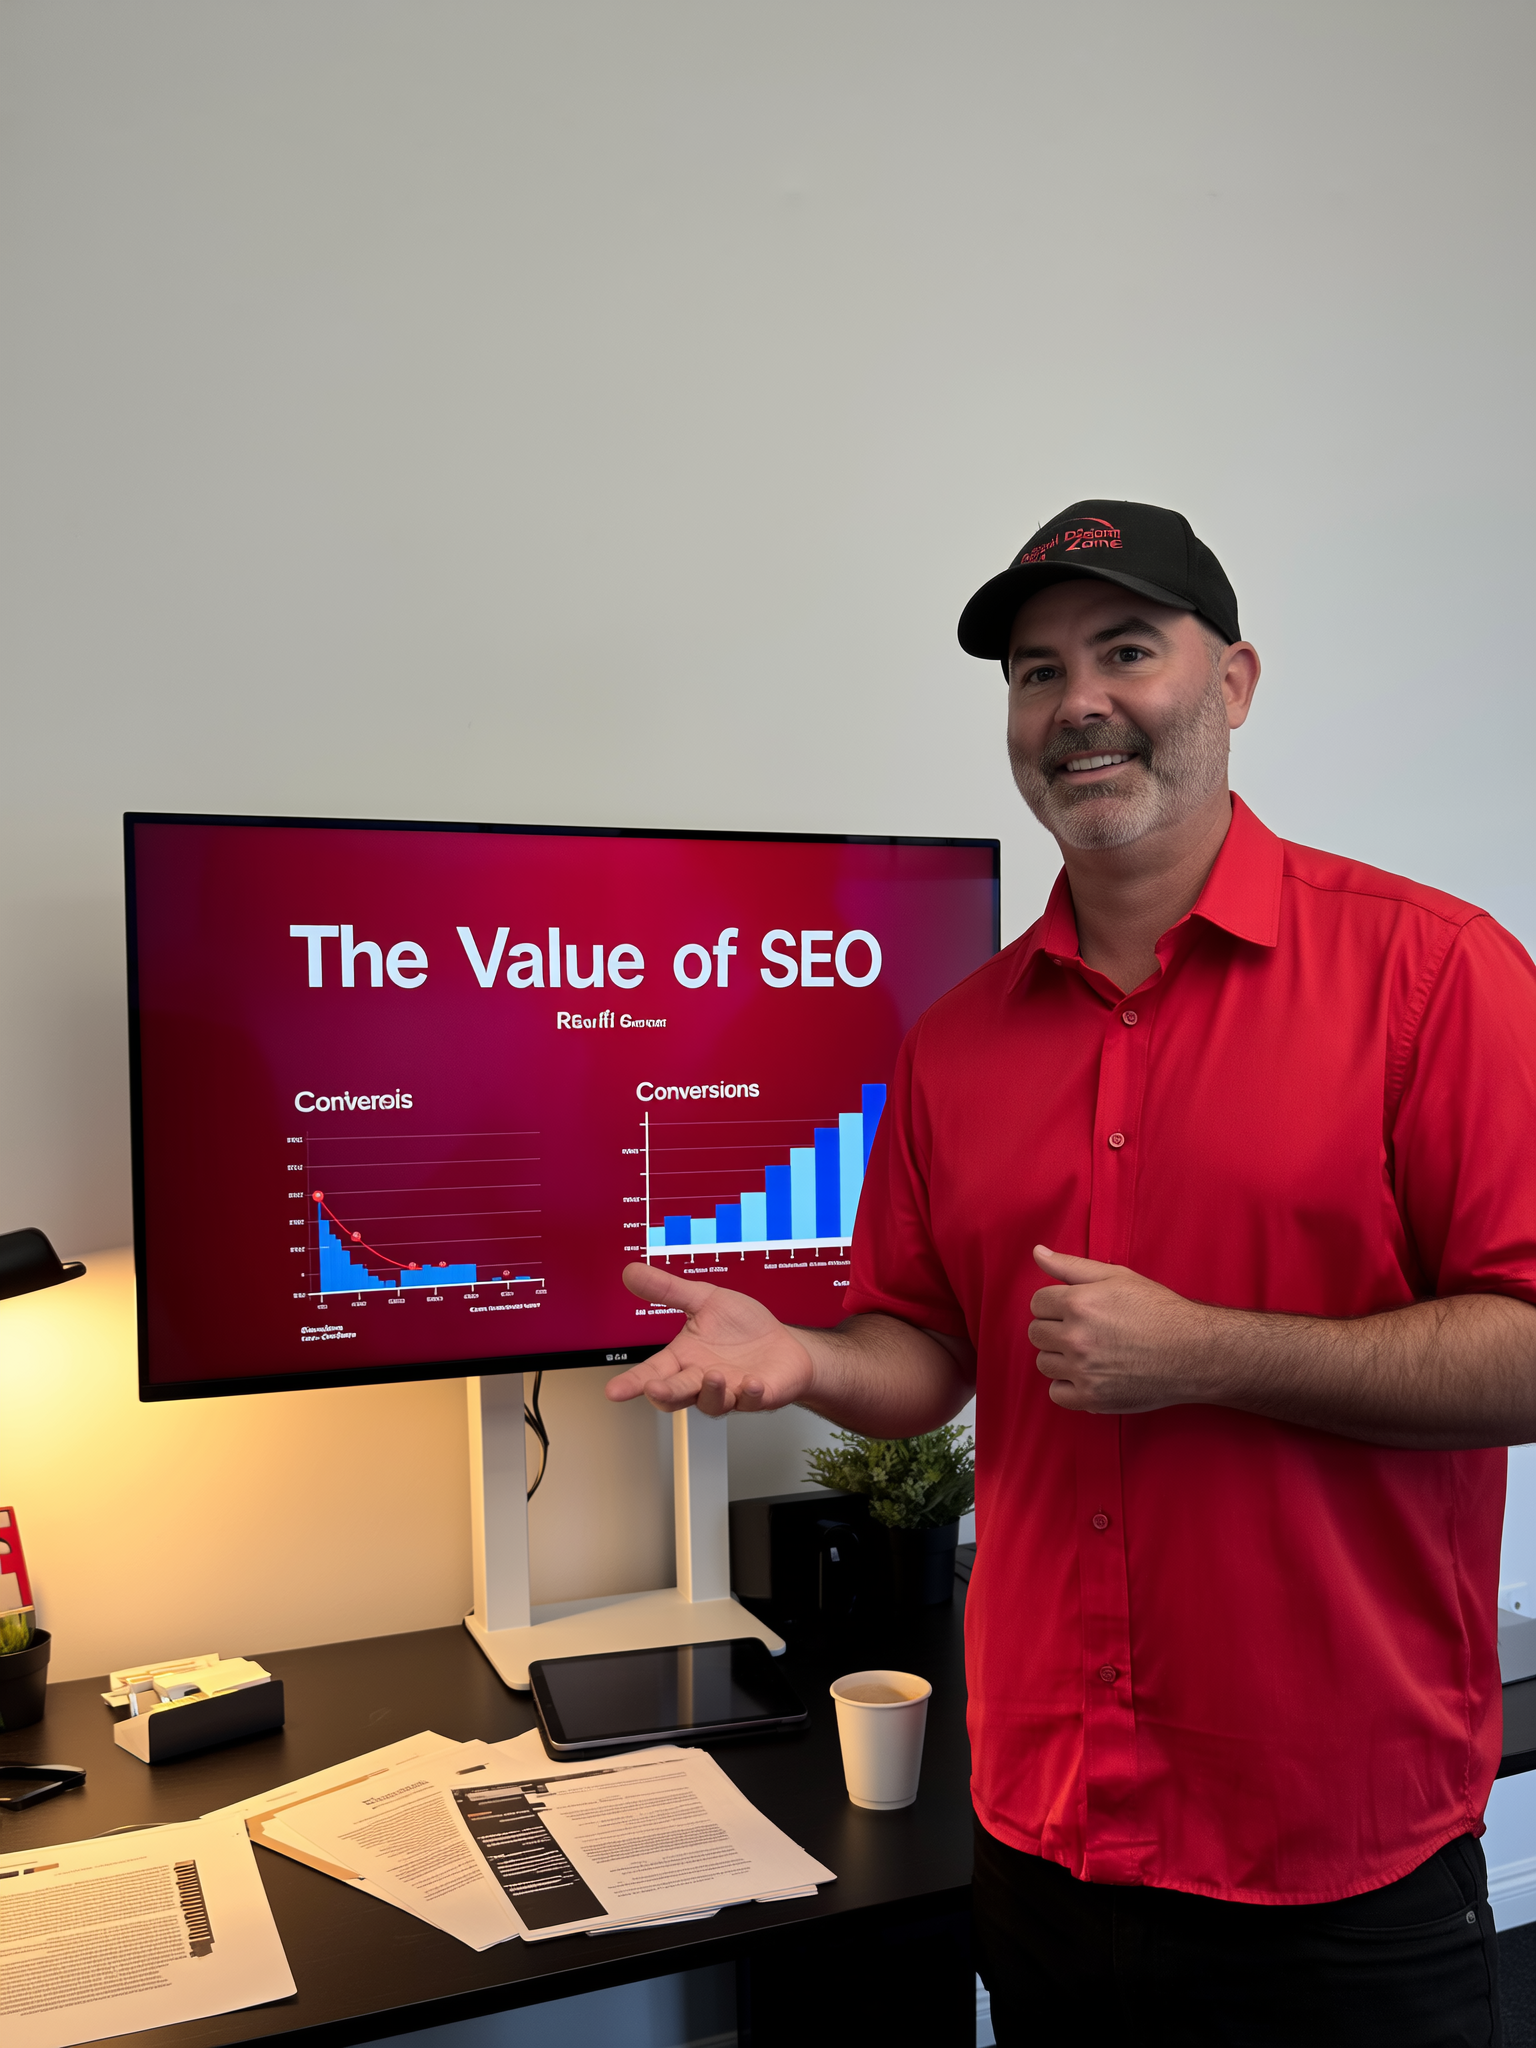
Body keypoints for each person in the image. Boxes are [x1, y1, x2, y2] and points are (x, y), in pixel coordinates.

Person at [607, 499, 1536, 2045]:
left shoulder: (1437, 977)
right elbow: (932, 1355)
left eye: (1125, 651)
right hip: (1052, 1836)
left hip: (1338, 1857)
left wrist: (1212, 1352)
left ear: (1231, 683)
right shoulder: (958, 1041)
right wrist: (809, 1362)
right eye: (1037, 673)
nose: (1078, 704)